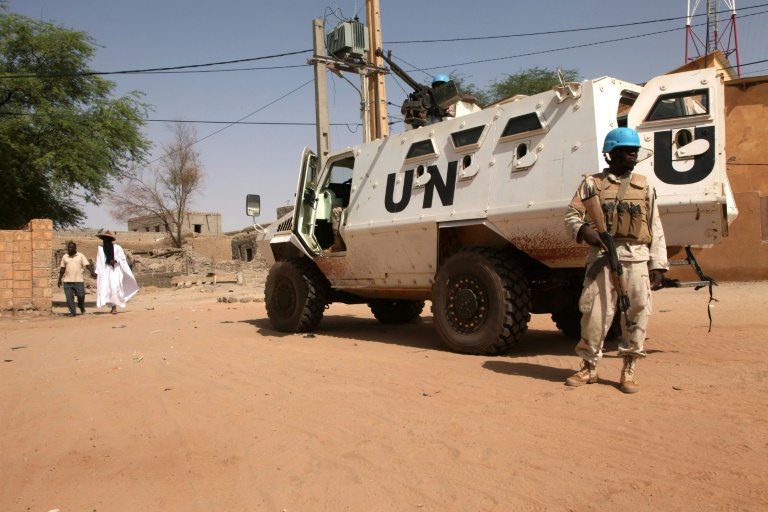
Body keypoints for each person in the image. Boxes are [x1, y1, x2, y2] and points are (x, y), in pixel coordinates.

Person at [563, 127, 668, 394]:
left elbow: (654, 224)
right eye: (626, 150)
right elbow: (571, 215)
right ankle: (589, 368)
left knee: (636, 314)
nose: (633, 154)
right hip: (601, 258)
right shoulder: (591, 184)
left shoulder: (645, 185)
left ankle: (629, 369)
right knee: (594, 316)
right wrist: (583, 230)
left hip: (636, 259)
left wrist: (657, 264)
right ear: (612, 153)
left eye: (635, 150)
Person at [95, 230, 139, 314]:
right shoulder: (100, 248)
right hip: (105, 271)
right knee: (107, 288)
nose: (104, 240)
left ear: (110, 240)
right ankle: (112, 307)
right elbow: (99, 260)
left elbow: (122, 258)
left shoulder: (117, 247)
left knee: (115, 287)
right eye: (103, 239)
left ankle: (114, 307)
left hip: (115, 270)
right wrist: (97, 271)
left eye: (106, 239)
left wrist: (116, 261)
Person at [58, 241, 96, 317]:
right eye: (68, 247)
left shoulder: (80, 256)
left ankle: (81, 307)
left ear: (75, 248)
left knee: (81, 295)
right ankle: (72, 312)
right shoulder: (65, 257)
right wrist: (59, 279)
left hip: (78, 280)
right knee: (69, 298)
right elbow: (62, 268)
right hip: (67, 281)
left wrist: (92, 272)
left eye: (71, 247)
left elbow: (87, 264)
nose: (69, 249)